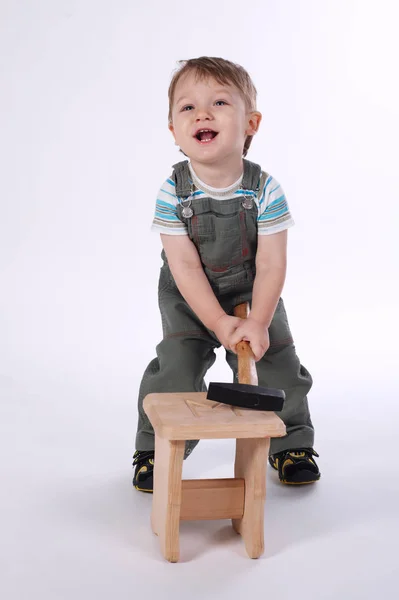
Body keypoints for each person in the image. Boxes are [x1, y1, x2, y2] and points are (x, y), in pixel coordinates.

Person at [132, 56, 320, 492]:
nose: (202, 113)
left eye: (218, 102)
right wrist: (216, 322)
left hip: (254, 288)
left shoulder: (265, 189)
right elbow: (183, 264)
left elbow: (272, 263)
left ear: (250, 123)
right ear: (174, 131)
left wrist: (256, 320)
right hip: (189, 292)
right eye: (188, 107)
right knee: (176, 366)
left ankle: (292, 441)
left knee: (277, 359)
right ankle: (154, 448)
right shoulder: (171, 193)